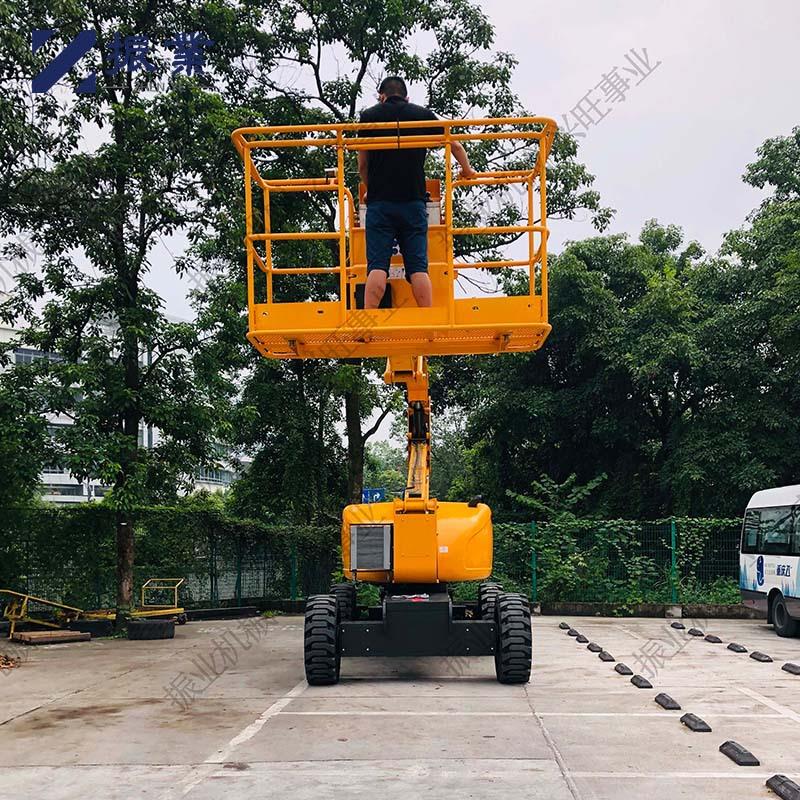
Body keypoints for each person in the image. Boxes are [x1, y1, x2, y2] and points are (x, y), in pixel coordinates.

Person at [357, 76, 477, 309]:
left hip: (380, 204)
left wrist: (369, 190)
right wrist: (467, 170)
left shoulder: (370, 117)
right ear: (406, 97)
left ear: (382, 96)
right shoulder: (421, 114)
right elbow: (455, 144)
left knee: (378, 267)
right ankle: (428, 320)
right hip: (413, 203)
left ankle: (368, 326)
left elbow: (363, 165)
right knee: (419, 268)